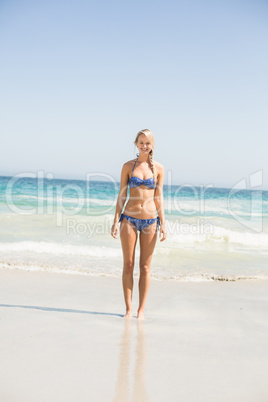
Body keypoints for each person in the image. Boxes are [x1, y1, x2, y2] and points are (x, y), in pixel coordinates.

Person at [111, 129, 167, 319]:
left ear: (152, 145)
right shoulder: (128, 166)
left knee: (145, 267)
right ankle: (128, 309)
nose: (144, 146)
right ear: (136, 144)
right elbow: (122, 195)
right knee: (128, 264)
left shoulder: (158, 168)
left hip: (151, 221)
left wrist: (164, 224)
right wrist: (115, 220)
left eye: (148, 143)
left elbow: (159, 198)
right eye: (141, 142)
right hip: (129, 219)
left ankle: (141, 311)